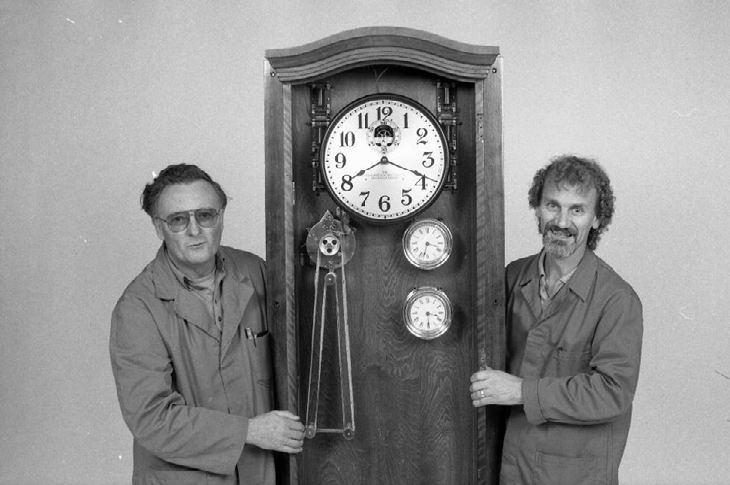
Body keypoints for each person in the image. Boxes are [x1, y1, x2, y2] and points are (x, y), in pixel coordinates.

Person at [110, 163, 304, 485]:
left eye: (205, 215)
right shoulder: (137, 308)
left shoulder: (255, 271)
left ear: (221, 216)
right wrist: (251, 431)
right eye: (178, 219)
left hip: (261, 474)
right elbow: (152, 420)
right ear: (159, 228)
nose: (195, 230)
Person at [470, 155, 643, 484]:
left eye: (577, 209)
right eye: (552, 205)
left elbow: (613, 392)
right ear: (537, 208)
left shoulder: (617, 300)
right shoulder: (511, 277)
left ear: (596, 219)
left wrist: (522, 391)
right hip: (509, 468)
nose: (562, 221)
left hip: (575, 474)